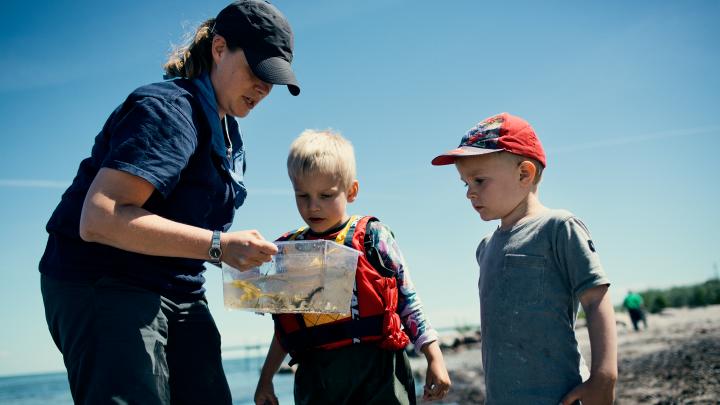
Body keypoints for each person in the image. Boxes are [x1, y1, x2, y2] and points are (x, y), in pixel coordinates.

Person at [38, 1, 300, 403]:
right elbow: (99, 217)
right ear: (219, 48)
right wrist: (220, 245)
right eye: (257, 72)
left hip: (178, 288)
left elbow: (189, 230)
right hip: (103, 282)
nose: (264, 88)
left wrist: (258, 279)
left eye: (274, 80)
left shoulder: (229, 131)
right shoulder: (169, 111)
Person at [431, 113, 618, 405]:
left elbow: (595, 300)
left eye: (479, 180)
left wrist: (604, 377)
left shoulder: (558, 228)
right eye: (465, 183)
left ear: (524, 174)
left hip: (559, 396)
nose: (469, 192)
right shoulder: (486, 247)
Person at [253, 130, 451, 405]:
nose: (313, 206)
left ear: (351, 191)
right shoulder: (292, 252)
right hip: (317, 380)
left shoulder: (373, 237)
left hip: (379, 376)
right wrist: (265, 380)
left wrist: (434, 357)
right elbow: (287, 329)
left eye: (325, 195)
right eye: (302, 195)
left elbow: (408, 301)